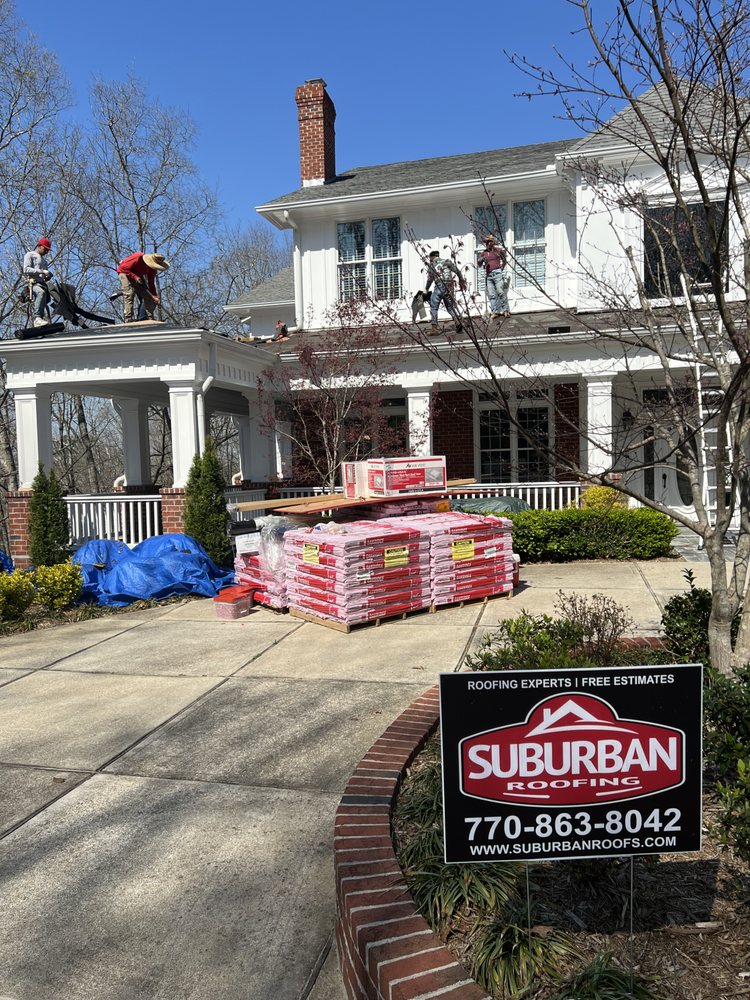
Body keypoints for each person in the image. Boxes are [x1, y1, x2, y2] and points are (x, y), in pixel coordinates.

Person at [116, 252, 169, 322]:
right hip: (124, 272)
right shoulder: (138, 257)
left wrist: (155, 296)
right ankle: (128, 317)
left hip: (137, 275)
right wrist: (135, 277)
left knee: (148, 296)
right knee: (130, 293)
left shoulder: (152, 269)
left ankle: (150, 317)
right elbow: (122, 268)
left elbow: (151, 283)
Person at [424, 250, 466, 335]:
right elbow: (457, 271)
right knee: (450, 306)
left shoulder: (432, 265)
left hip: (440, 285)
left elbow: (430, 279)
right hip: (449, 285)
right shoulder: (447, 262)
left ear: (432, 257)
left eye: (430, 258)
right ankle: (457, 323)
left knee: (434, 307)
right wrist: (461, 280)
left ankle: (434, 329)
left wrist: (426, 289)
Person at [22, 238, 53, 327]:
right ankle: (37, 318)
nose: (46, 251)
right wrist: (41, 271)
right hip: (32, 284)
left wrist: (47, 276)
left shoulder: (44, 261)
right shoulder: (30, 255)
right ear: (39, 246)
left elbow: (43, 277)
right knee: (40, 293)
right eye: (45, 249)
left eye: (48, 250)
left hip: (41, 284)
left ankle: (41, 318)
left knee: (44, 297)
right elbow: (26, 269)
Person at [477, 234, 510, 317]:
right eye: (486, 242)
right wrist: (480, 260)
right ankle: (494, 312)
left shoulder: (498, 250)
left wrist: (501, 268)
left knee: (500, 292)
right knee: (492, 295)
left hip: (497, 273)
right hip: (489, 276)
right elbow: (479, 265)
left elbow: (504, 260)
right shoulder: (484, 253)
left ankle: (506, 310)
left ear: (493, 242)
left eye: (489, 242)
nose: (487, 244)